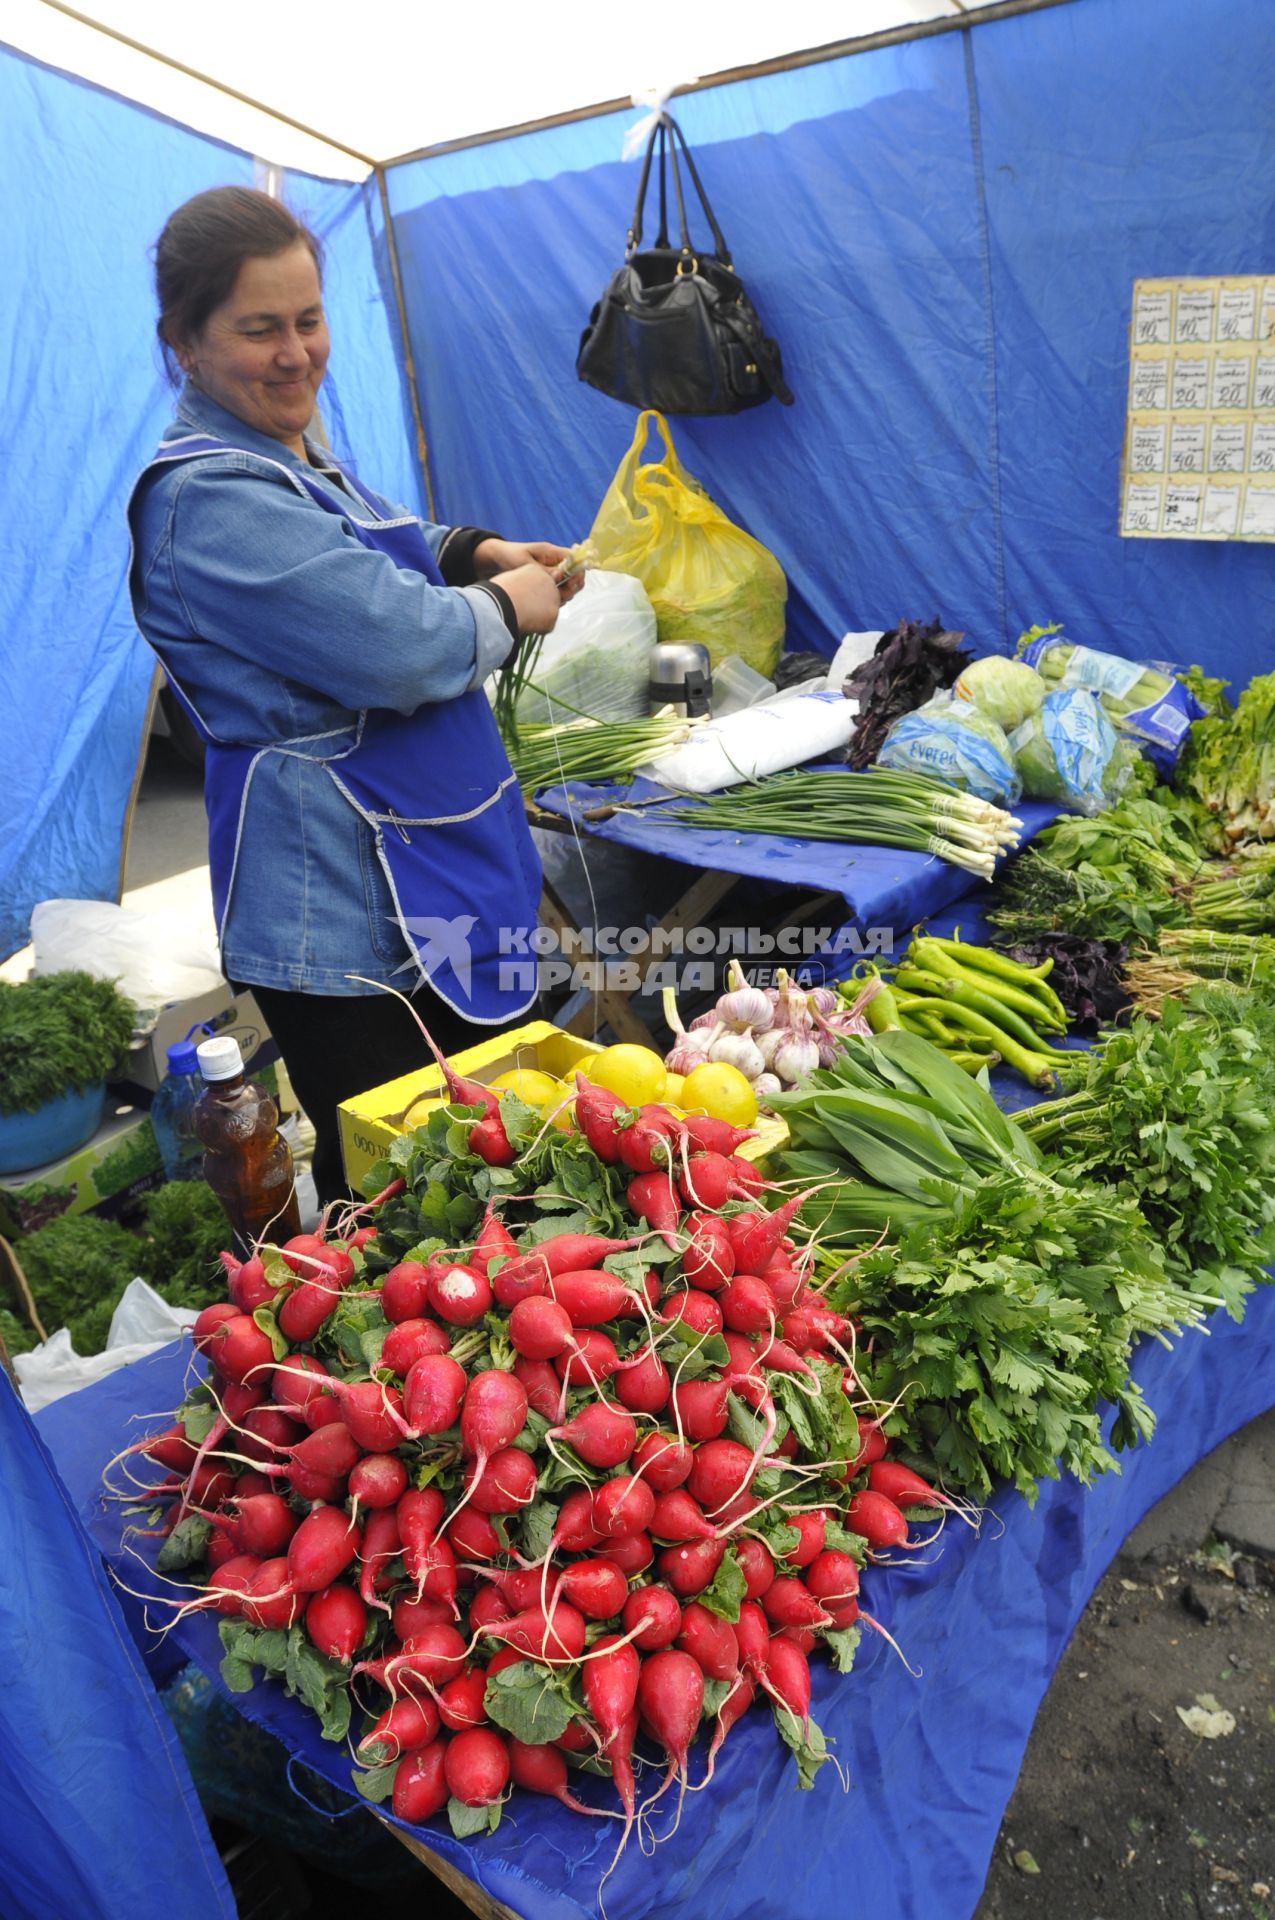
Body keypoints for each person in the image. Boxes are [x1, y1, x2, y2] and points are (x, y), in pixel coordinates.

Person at [128, 187, 582, 1204]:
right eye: (259, 329)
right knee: (401, 1186)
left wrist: (471, 549)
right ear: (184, 342)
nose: (296, 353)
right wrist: (509, 603)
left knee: (490, 1154)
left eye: (308, 320)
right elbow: (400, 643)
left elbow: (374, 540)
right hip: (341, 902)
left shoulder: (286, 458)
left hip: (424, 855)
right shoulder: (207, 497)